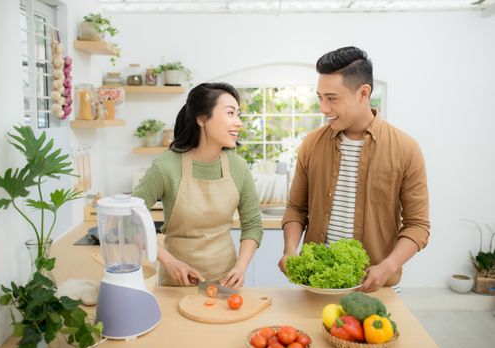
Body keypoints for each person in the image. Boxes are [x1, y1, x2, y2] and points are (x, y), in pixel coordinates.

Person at [278, 46, 430, 292]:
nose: (323, 108)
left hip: (375, 287)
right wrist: (290, 250)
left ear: (363, 93)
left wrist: (388, 266)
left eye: (332, 98)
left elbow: (417, 225)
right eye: (320, 97)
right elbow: (296, 208)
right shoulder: (311, 144)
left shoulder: (406, 149)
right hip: (316, 283)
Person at [133, 82, 262, 288]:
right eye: (230, 113)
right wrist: (169, 261)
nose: (238, 122)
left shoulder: (238, 167)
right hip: (176, 284)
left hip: (225, 284)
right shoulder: (166, 167)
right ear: (202, 118)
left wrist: (240, 267)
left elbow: (253, 225)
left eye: (239, 115)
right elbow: (130, 219)